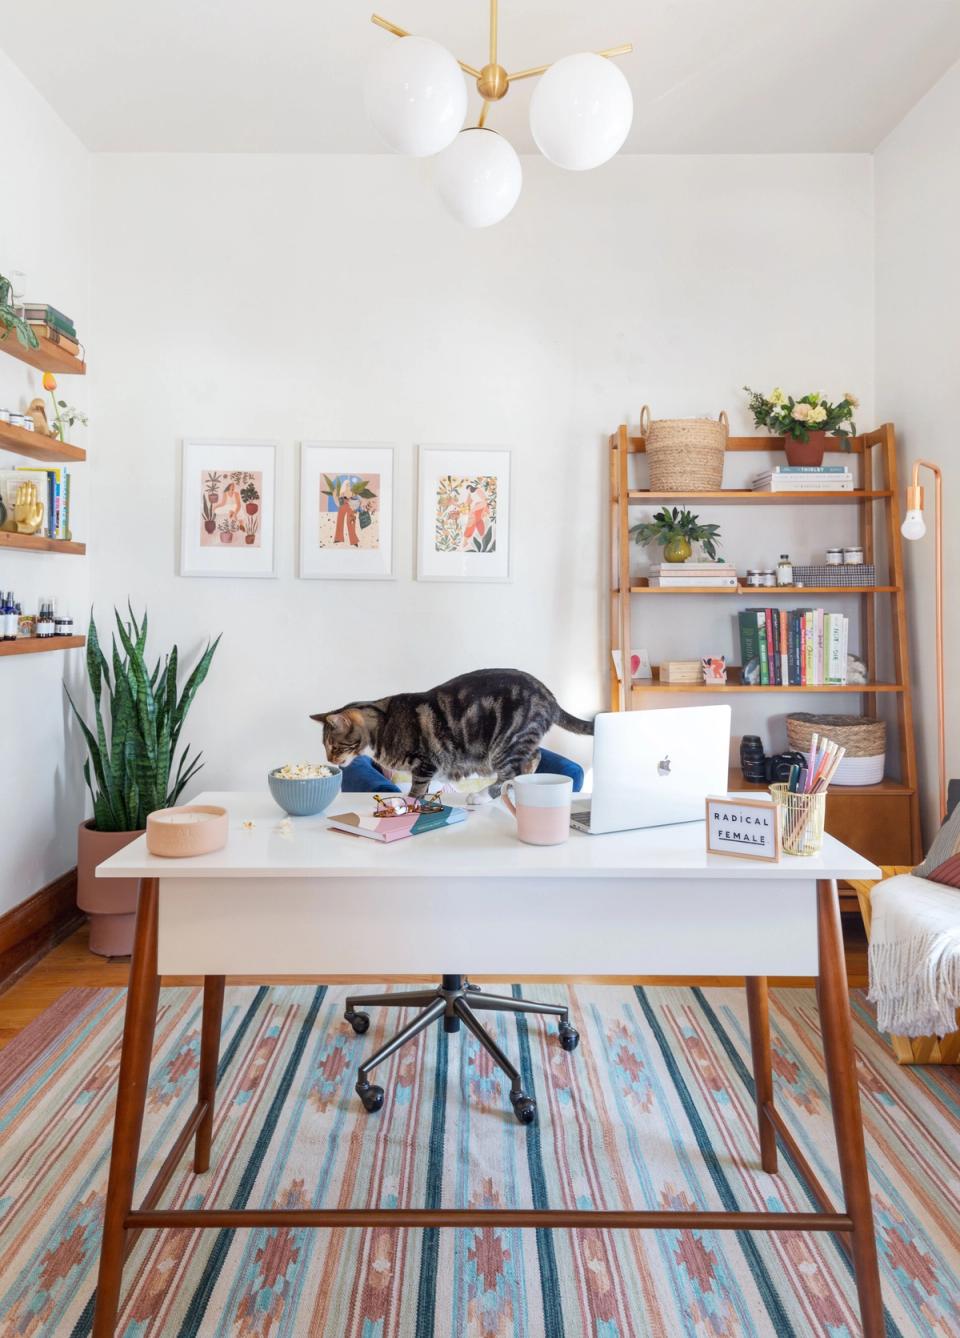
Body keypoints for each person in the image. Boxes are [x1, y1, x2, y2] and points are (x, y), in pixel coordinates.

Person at [334, 478, 359, 546]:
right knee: (340, 521)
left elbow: (352, 497)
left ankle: (354, 541)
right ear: (345, 485)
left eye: (349, 484)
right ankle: (338, 538)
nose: (349, 485)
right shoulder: (343, 492)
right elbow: (340, 500)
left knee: (351, 522)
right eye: (347, 484)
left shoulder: (350, 491)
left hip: (350, 506)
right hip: (343, 505)